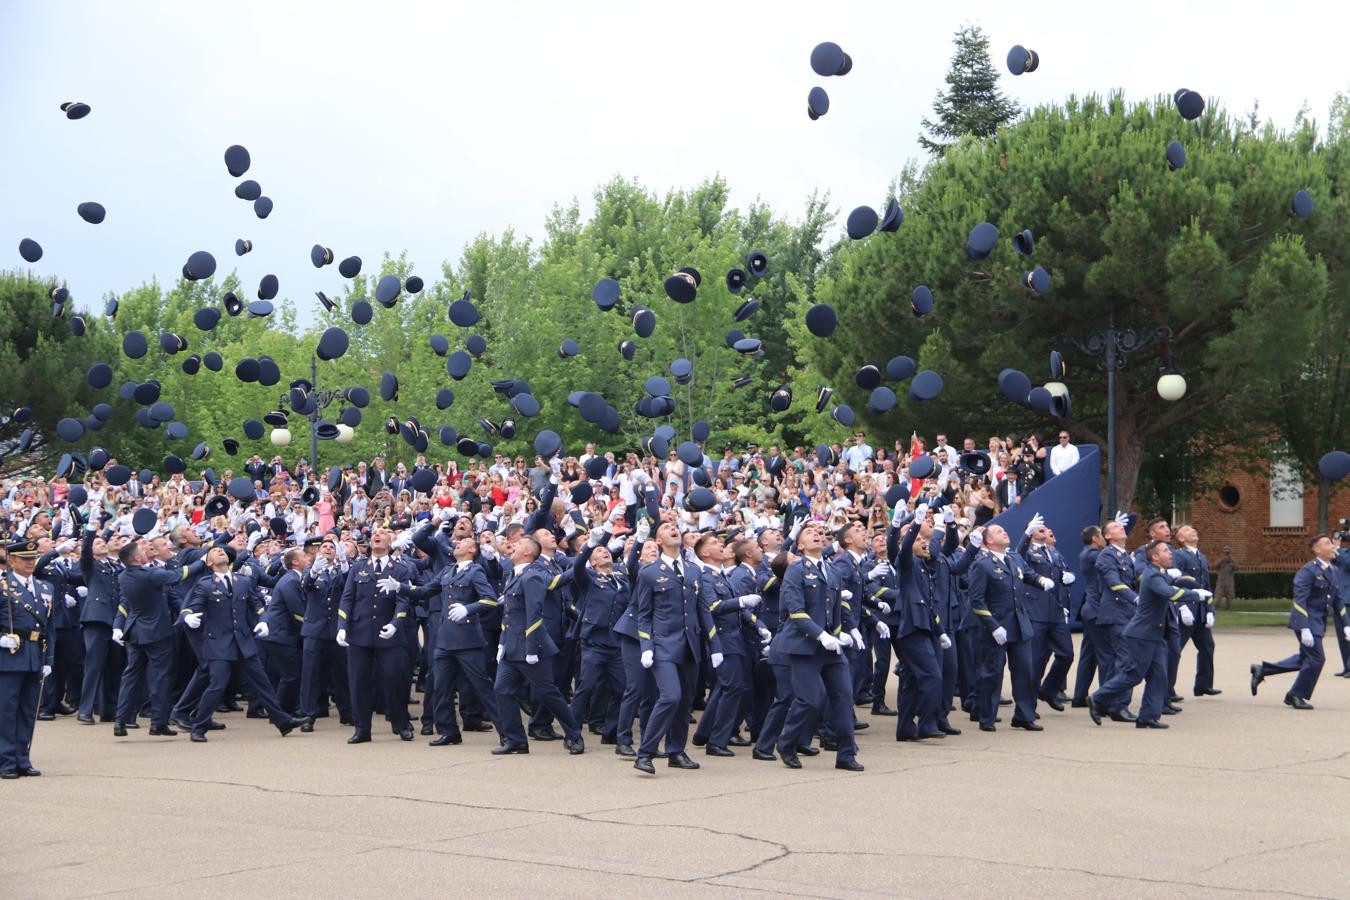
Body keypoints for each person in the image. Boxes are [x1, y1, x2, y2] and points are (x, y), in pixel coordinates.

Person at [179, 547, 308, 741]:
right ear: (209, 562)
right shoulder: (205, 584)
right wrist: (188, 617)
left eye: (222, 550)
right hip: (219, 643)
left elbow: (257, 605)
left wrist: (264, 620)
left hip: (243, 640)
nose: (220, 551)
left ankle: (282, 721)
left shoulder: (243, 581)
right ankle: (198, 727)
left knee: (262, 683)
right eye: (215, 551)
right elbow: (192, 605)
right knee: (217, 685)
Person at [1089, 540, 1211, 729]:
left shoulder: (1160, 574)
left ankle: (1148, 716)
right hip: (1141, 635)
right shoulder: (1152, 575)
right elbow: (1170, 593)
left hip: (1155, 634)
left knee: (1159, 676)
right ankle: (1097, 698)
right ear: (1155, 557)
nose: (1170, 553)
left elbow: (1173, 588)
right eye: (1165, 551)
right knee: (1133, 675)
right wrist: (1196, 595)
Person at [632, 521, 721, 774]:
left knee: (684, 703)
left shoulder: (693, 570)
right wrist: (646, 645)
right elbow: (643, 614)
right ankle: (645, 753)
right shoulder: (649, 572)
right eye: (666, 527)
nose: (673, 528)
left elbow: (703, 610)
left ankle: (676, 751)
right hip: (663, 645)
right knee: (670, 696)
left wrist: (714, 645)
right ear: (659, 541)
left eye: (675, 526)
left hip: (690, 645)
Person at [774, 520, 863, 771]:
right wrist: (821, 635)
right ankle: (787, 742)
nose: (816, 534)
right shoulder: (796, 570)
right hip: (804, 646)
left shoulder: (832, 570)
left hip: (831, 647)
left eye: (819, 532)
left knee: (844, 698)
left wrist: (846, 630)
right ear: (800, 545)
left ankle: (846, 753)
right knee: (810, 700)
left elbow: (838, 606)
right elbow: (796, 611)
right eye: (809, 532)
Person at [490, 535, 584, 755]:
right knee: (502, 690)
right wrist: (502, 643)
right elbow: (509, 615)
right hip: (512, 646)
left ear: (528, 552)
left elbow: (535, 614)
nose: (513, 546)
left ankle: (574, 735)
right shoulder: (514, 575)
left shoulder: (531, 576)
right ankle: (516, 740)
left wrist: (531, 649)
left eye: (519, 544)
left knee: (549, 693)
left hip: (530, 647)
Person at [110, 539, 204, 737]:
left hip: (135, 631)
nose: (145, 552)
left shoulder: (124, 575)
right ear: (137, 558)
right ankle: (158, 722)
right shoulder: (150, 574)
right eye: (141, 551)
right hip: (156, 632)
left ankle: (121, 721)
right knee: (160, 678)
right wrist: (202, 562)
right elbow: (180, 574)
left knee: (131, 678)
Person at [967, 523, 1052, 731]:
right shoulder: (982, 564)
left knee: (1025, 671)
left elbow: (1028, 575)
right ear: (989, 541)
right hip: (996, 627)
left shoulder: (1014, 558)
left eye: (1004, 530)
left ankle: (1024, 715)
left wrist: (1042, 580)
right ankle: (987, 717)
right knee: (992, 673)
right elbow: (976, 600)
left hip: (1019, 623)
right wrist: (993, 626)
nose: (1004, 532)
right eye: (999, 531)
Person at [1250, 534, 1347, 710]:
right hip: (1306, 622)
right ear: (1317, 550)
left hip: (1318, 622)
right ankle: (1295, 695)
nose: (1333, 546)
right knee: (1317, 659)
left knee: (1305, 659)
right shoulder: (1308, 571)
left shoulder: (1333, 570)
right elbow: (1299, 601)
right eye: (1328, 543)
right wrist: (1304, 628)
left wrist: (1346, 624)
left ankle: (1262, 670)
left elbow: (1338, 601)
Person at [338, 527, 416, 743]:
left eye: (382, 533)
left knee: (394, 680)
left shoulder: (399, 569)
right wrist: (342, 625)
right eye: (374, 534)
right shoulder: (358, 566)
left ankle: (400, 723)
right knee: (359, 682)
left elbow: (403, 600)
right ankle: (362, 729)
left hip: (388, 634)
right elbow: (347, 597)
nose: (377, 535)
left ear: (390, 542)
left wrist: (395, 624)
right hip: (360, 632)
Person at [0, 540, 55, 778]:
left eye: (32, 558)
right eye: (24, 559)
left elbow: (50, 627)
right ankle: (6, 761)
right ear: (11, 561)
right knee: (6, 711)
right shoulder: (3, 587)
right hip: (9, 656)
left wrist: (48, 659)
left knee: (27, 711)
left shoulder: (45, 588)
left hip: (35, 654)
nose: (30, 562)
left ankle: (23, 758)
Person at [1172, 525, 1219, 697]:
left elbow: (1206, 586)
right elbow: (1175, 583)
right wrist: (1181, 607)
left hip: (1200, 611)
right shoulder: (1179, 555)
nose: (1192, 531)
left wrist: (1210, 610)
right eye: (1187, 530)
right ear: (1181, 539)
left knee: (1208, 646)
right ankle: (1167, 689)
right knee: (1175, 649)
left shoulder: (1202, 556)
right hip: (1186, 611)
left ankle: (1203, 685)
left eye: (1193, 529)